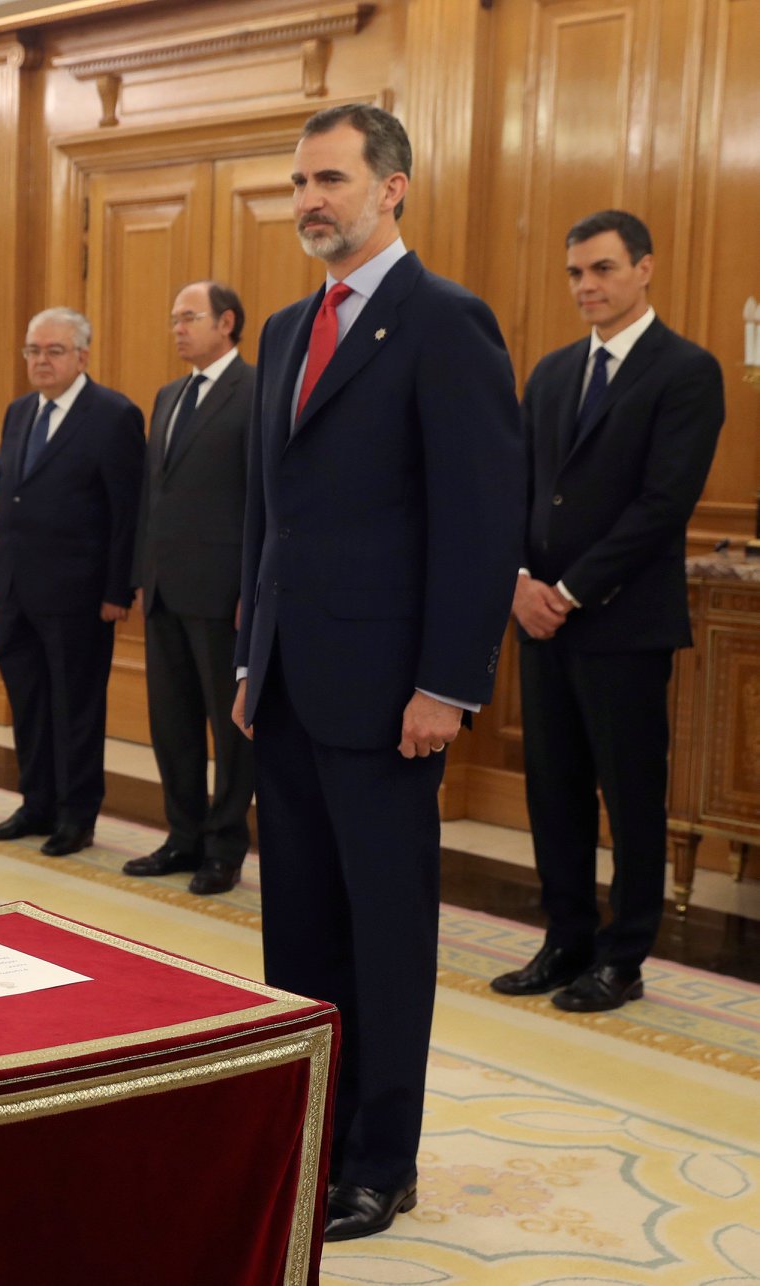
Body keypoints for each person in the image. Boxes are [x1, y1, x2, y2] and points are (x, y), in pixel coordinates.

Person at [232, 104, 523, 1240]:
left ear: (390, 188)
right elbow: (268, 514)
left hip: (389, 693)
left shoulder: (444, 321)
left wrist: (446, 684)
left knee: (385, 936)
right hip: (288, 684)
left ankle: (378, 1161)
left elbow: (477, 518)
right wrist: (250, 655)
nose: (310, 200)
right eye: (299, 182)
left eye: (331, 179)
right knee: (299, 932)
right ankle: (315, 1133)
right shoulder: (279, 331)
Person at [494, 210, 724, 1013]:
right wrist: (519, 581)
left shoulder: (685, 371)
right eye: (574, 273)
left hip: (622, 624)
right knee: (551, 788)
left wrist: (568, 592)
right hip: (537, 619)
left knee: (628, 797)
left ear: (643, 268)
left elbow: (663, 504)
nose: (585, 286)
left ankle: (622, 958)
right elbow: (519, 488)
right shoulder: (553, 371)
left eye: (601, 269)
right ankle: (564, 938)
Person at [0, 307, 145, 858]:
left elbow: (126, 512)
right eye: (33, 350)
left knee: (75, 709)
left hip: (80, 595)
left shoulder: (113, 414)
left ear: (82, 356)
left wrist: (117, 591)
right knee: (28, 703)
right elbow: (6, 495)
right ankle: (36, 804)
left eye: (54, 351)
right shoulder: (19, 410)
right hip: (16, 589)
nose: (41, 361)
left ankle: (77, 816)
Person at [123, 281, 256, 896]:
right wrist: (141, 575)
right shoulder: (169, 394)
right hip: (166, 590)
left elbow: (260, 499)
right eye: (174, 318)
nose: (177, 328)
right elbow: (154, 493)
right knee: (171, 723)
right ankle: (182, 835)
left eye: (189, 317)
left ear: (226, 322)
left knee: (229, 732)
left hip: (223, 594)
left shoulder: (254, 390)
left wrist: (252, 589)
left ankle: (224, 847)